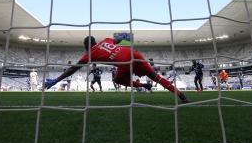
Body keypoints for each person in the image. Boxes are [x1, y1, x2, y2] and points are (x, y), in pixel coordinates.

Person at [44, 36, 189, 103]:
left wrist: (56, 80)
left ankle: (142, 86)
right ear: (95, 42)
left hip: (124, 63)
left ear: (86, 46)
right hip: (134, 54)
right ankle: (181, 96)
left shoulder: (89, 55)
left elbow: (73, 69)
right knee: (156, 77)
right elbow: (124, 37)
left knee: (119, 80)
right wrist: (124, 41)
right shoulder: (106, 40)